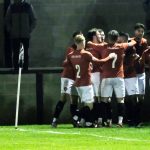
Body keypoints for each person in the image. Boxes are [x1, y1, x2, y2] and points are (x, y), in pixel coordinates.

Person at [88, 30, 137, 127]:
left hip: (107, 77)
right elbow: (133, 42)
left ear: (108, 38)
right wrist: (129, 39)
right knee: (120, 100)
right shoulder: (122, 46)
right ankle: (120, 121)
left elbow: (90, 43)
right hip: (119, 77)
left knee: (103, 100)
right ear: (117, 38)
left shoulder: (103, 46)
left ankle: (104, 121)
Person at [66, 34, 116, 127]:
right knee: (90, 106)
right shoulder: (85, 53)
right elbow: (99, 62)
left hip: (77, 83)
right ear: (82, 42)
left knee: (86, 103)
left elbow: (66, 65)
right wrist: (109, 57)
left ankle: (88, 123)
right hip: (86, 83)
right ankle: (76, 117)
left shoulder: (70, 55)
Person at [51, 31, 82, 128]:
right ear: (75, 39)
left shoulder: (82, 50)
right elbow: (67, 62)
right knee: (64, 97)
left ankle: (75, 120)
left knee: (75, 99)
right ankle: (55, 120)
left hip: (75, 77)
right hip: (68, 77)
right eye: (79, 37)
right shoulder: (71, 49)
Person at [5, 0, 37, 70]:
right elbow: (7, 20)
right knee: (15, 52)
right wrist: (11, 30)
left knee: (25, 52)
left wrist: (29, 30)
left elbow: (34, 20)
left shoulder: (28, 6)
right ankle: (16, 68)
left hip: (25, 34)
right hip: (15, 35)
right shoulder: (12, 7)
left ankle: (25, 68)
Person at [119, 32, 140, 126]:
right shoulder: (119, 48)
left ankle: (136, 120)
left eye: (121, 40)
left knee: (133, 97)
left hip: (130, 76)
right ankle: (130, 119)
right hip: (123, 76)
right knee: (126, 98)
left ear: (125, 40)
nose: (119, 42)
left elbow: (130, 63)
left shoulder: (131, 48)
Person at [132, 23, 148, 127]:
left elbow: (145, 56)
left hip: (141, 72)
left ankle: (139, 119)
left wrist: (141, 59)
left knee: (141, 97)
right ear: (135, 32)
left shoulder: (145, 42)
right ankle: (134, 119)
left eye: (142, 31)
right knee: (134, 97)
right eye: (138, 31)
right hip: (132, 73)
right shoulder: (130, 42)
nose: (140, 33)